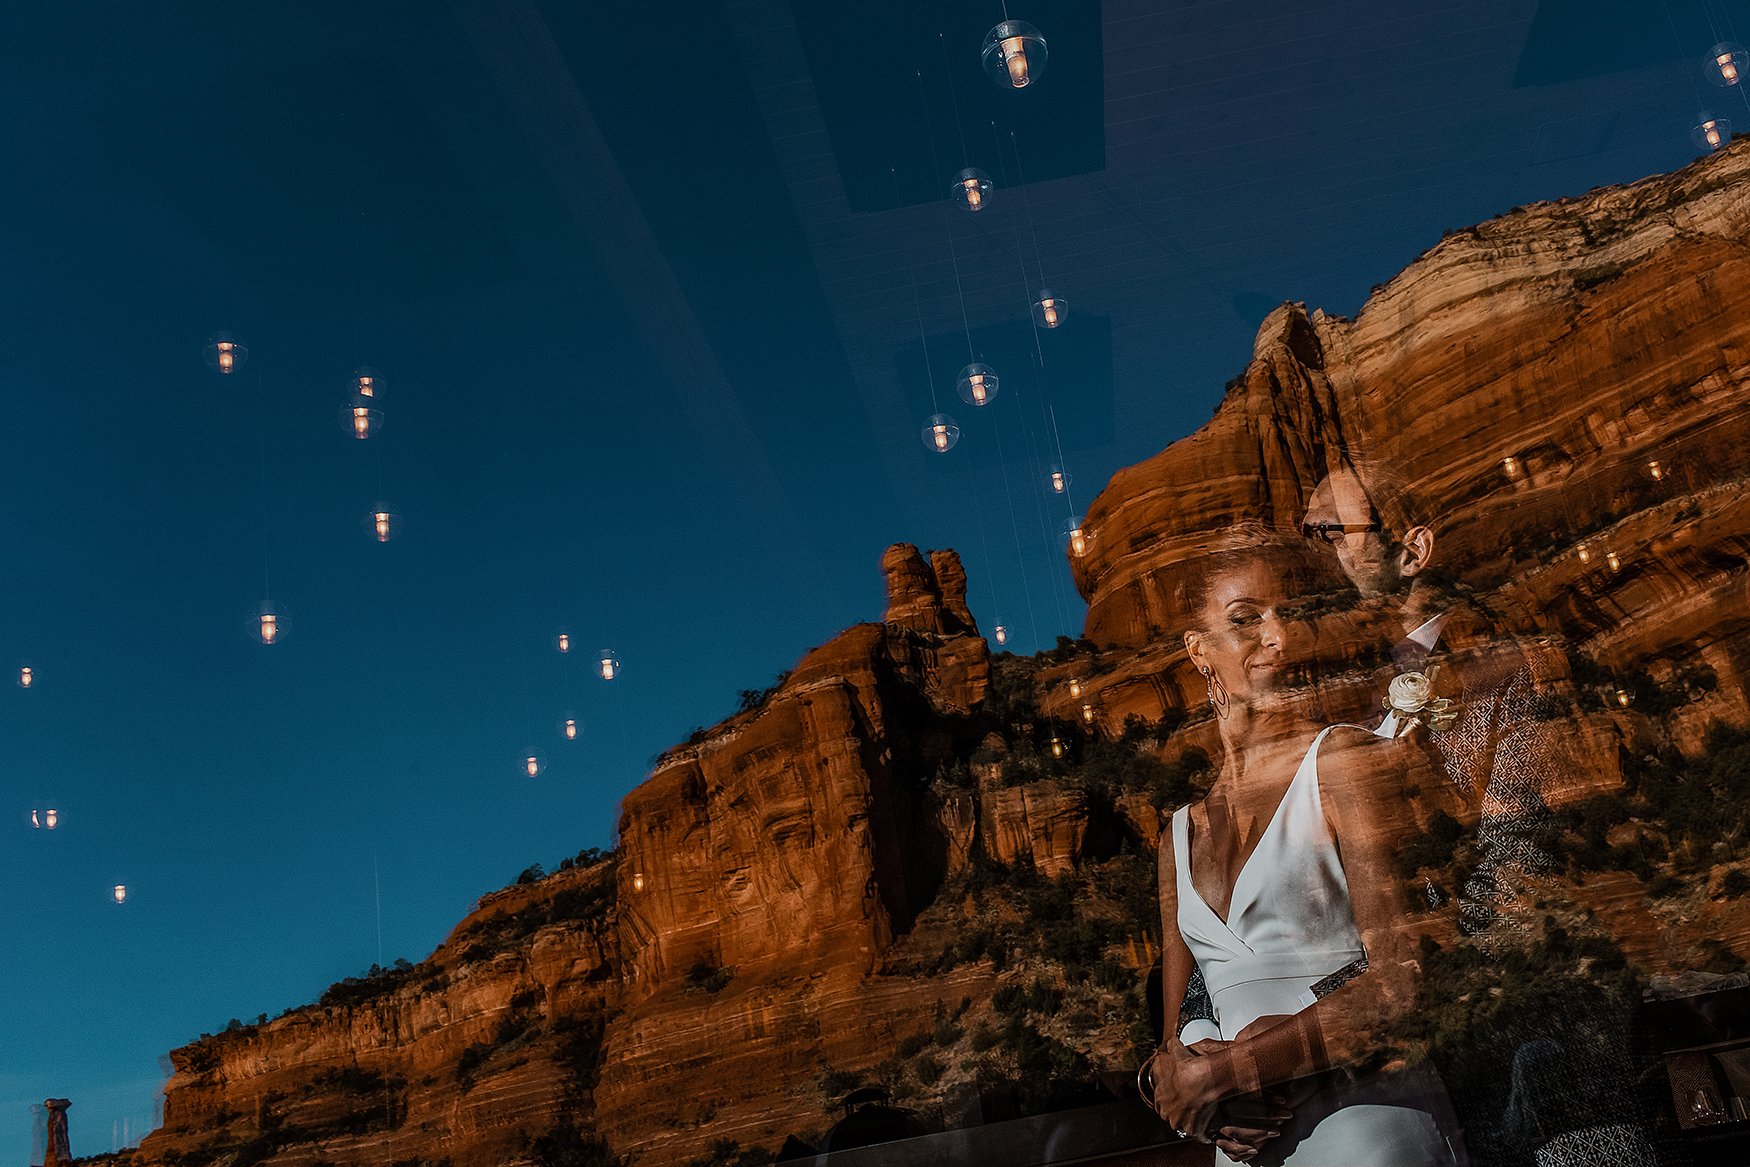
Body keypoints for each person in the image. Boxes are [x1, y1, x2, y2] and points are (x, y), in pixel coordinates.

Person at [1143, 530, 1466, 1166]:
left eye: (1291, 616)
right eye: (1245, 620)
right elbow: (1173, 1043)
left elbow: (1405, 982)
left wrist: (1231, 1072)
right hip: (1244, 1152)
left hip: (1368, 1134)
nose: (1280, 638)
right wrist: (1200, 1110)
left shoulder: (1342, 763)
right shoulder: (1176, 835)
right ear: (1199, 650)